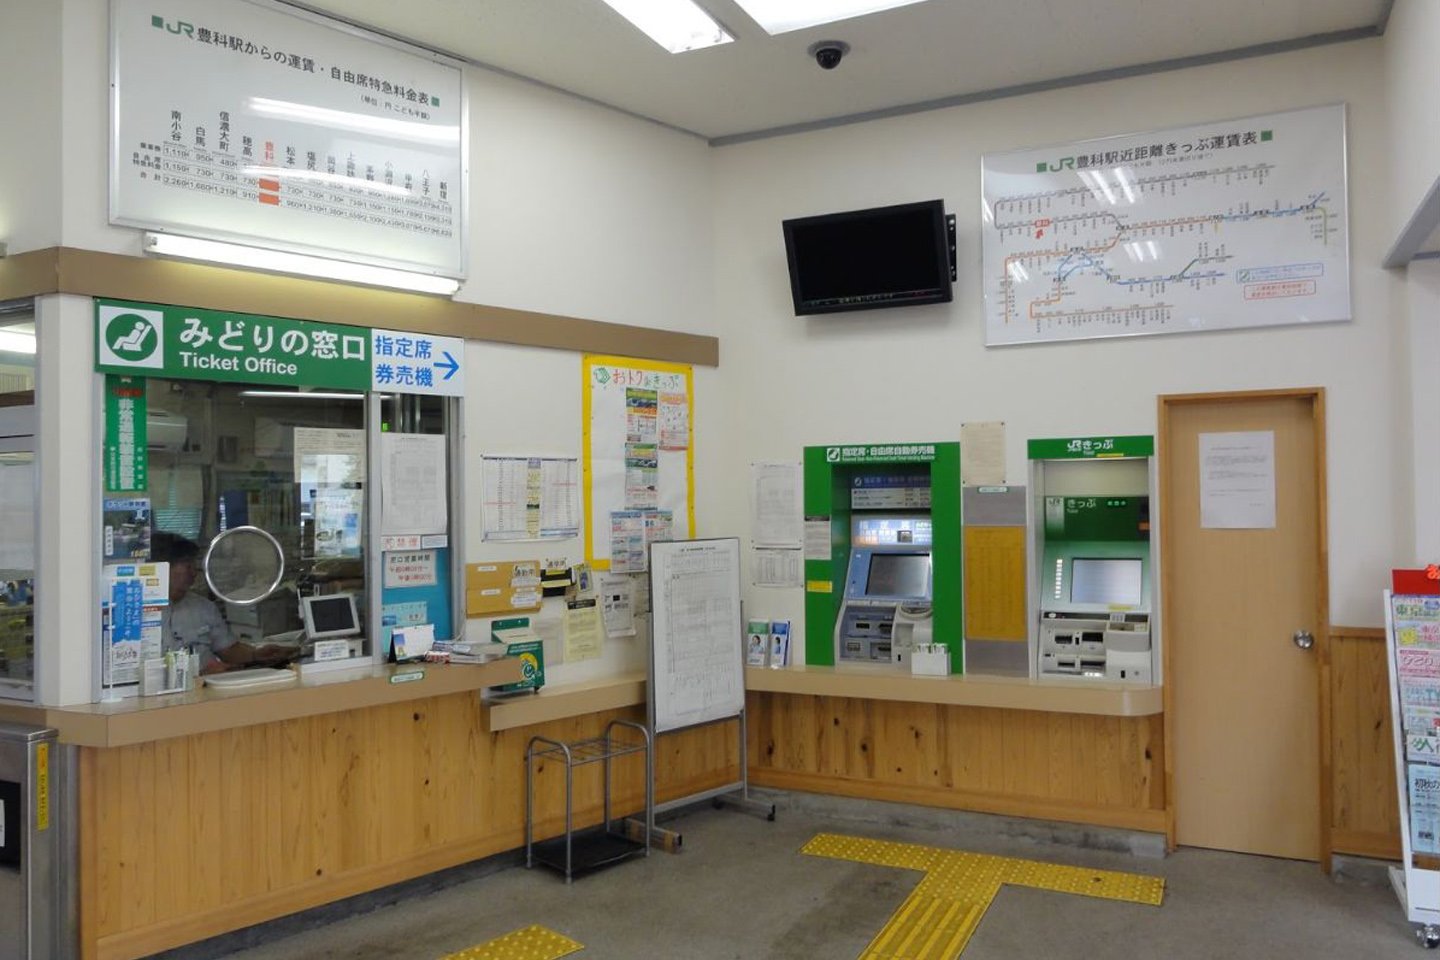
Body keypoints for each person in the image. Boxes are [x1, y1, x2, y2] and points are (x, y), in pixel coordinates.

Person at [151, 532, 289, 675]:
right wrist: (199, 674)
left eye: (195, 565)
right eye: (187, 566)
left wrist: (256, 655)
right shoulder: (138, 613)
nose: (194, 572)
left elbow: (227, 649)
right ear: (164, 568)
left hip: (212, 687)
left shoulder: (203, 607)